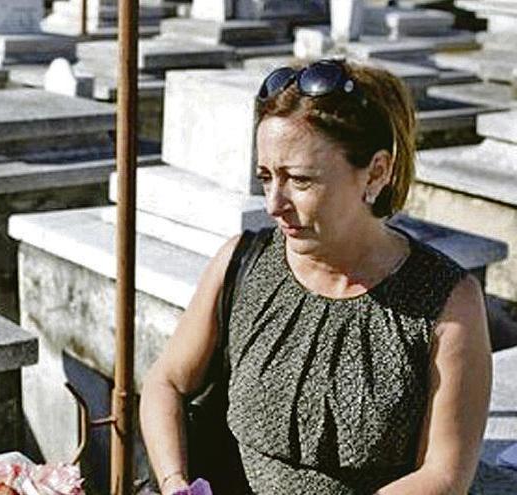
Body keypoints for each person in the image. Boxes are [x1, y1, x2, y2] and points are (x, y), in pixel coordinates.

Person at [139, 59, 491, 494]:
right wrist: (177, 484)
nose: (273, 203)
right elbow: (166, 381)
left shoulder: (447, 302)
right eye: (266, 177)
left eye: (300, 181)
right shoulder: (242, 261)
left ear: (376, 172)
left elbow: (444, 475)